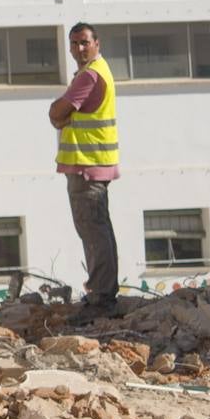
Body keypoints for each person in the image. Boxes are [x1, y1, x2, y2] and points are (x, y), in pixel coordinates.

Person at [48, 22, 120, 324]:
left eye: (85, 42)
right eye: (75, 43)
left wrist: (59, 116)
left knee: (93, 232)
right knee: (98, 230)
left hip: (86, 167)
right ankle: (103, 293)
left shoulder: (90, 75)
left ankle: (101, 298)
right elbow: (61, 115)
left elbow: (56, 113)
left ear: (97, 44)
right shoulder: (96, 70)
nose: (80, 48)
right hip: (91, 166)